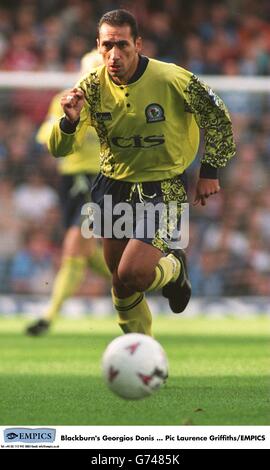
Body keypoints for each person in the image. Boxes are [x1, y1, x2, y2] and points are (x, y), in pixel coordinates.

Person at [48, 9, 236, 337]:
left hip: (164, 185)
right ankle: (142, 351)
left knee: (133, 272)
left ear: (138, 44)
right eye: (108, 46)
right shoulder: (90, 87)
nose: (115, 54)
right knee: (120, 283)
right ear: (98, 45)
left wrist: (210, 170)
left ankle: (174, 268)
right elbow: (61, 149)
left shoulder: (171, 78)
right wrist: (69, 122)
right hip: (112, 184)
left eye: (123, 45)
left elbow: (217, 115)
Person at [26, 49, 110, 336]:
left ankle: (49, 316)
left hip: (100, 179)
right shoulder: (64, 100)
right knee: (84, 250)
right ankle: (138, 280)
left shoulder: (117, 105)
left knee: (75, 242)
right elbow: (46, 139)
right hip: (70, 181)